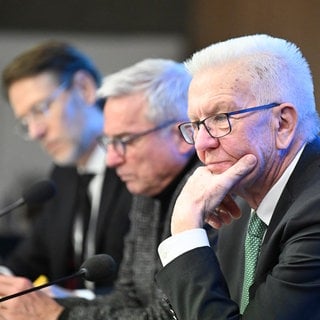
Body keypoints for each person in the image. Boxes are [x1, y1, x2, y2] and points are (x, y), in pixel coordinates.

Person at [0, 58, 217, 319]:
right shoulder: (146, 191)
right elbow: (128, 298)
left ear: (181, 136)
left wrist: (58, 314)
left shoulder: (208, 196)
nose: (112, 159)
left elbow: (169, 315)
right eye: (109, 141)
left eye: (124, 140)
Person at [154, 34, 320, 319]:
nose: (202, 144)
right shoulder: (238, 205)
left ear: (283, 124)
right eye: (196, 125)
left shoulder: (314, 212)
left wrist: (185, 232)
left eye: (221, 118)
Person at [1, 41, 132, 294]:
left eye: (40, 109)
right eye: (25, 122)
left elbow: (149, 289)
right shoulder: (62, 175)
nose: (36, 131)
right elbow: (27, 260)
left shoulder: (139, 166)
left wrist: (68, 304)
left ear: (84, 89)